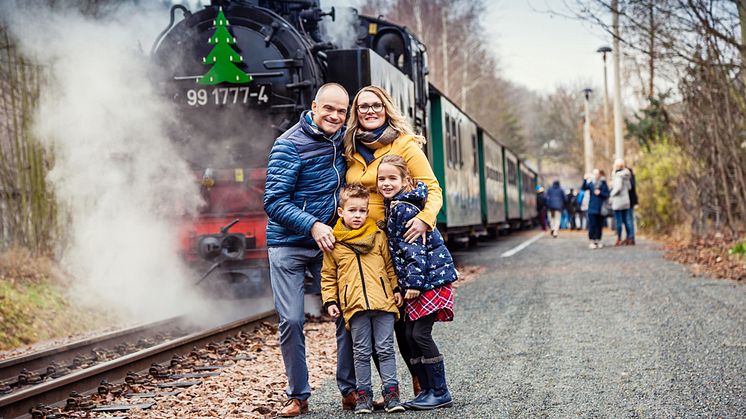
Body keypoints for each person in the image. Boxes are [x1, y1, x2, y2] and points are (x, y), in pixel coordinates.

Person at [343, 85, 442, 400]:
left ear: (385, 108)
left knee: (403, 319)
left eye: (375, 105)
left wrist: (424, 220)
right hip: (365, 244)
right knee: (377, 316)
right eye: (362, 107)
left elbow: (433, 188)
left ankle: (421, 381)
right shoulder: (350, 149)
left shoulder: (405, 145)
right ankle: (390, 386)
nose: (369, 111)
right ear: (355, 114)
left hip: (400, 241)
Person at [263, 83, 350, 417]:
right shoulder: (289, 144)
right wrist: (312, 225)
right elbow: (273, 201)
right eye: (329, 108)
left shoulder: (342, 142)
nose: (334, 116)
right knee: (292, 319)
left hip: (327, 244)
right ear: (314, 106)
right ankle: (298, 395)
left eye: (341, 111)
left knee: (346, 314)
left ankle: (350, 389)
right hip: (288, 244)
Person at [377, 155, 457, 410]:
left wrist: (411, 285)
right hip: (421, 280)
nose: (386, 183)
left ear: (406, 180)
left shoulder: (403, 208)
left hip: (430, 280)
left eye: (392, 178)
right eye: (381, 179)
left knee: (419, 335)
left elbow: (415, 250)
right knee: (411, 335)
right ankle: (427, 391)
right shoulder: (393, 206)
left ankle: (440, 391)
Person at [321, 184, 405, 414]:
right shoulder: (334, 243)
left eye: (362, 211)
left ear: (367, 212)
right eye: (352, 211)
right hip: (354, 306)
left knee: (385, 349)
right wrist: (330, 301)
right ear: (341, 212)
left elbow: (389, 265)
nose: (357, 215)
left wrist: (396, 288)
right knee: (361, 352)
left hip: (383, 303)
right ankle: (364, 397)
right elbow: (328, 275)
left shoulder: (378, 236)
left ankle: (391, 396)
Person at [581, 169, 610, 249]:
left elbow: (607, 194)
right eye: (594, 174)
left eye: (597, 174)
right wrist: (585, 179)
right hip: (592, 207)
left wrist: (600, 193)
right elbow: (583, 188)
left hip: (601, 208)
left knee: (599, 225)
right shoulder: (590, 184)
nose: (596, 175)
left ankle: (598, 240)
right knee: (592, 225)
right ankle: (592, 240)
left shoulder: (603, 183)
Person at [610, 158, 634, 246]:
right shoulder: (627, 175)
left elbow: (618, 187)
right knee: (627, 220)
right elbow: (629, 187)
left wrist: (612, 194)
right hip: (626, 200)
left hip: (618, 201)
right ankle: (630, 238)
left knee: (619, 221)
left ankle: (619, 238)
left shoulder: (618, 175)